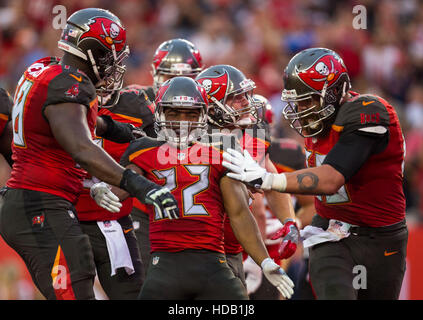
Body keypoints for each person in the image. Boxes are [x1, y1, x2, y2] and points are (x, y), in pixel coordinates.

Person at [0, 8, 178, 300]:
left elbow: (67, 120)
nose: (113, 65)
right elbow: (81, 147)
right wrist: (141, 187)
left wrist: (115, 130)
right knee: (76, 288)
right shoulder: (69, 84)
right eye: (111, 56)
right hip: (40, 205)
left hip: (36, 201)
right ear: (94, 52)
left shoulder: (44, 68)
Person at [222, 47, 408, 300]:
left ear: (336, 91)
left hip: (381, 236)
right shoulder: (320, 124)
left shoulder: (367, 110)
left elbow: (332, 179)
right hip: (330, 234)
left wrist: (269, 180)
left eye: (308, 100)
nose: (301, 109)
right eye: (297, 102)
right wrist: (292, 222)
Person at [102, 76, 294, 299]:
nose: (182, 122)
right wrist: (100, 190)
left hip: (212, 262)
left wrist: (265, 260)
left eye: (190, 114)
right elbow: (122, 186)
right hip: (168, 263)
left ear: (203, 115)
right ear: (160, 114)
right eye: (174, 113)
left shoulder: (222, 149)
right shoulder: (144, 150)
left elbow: (240, 213)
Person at [195, 65, 299, 290]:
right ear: (212, 107)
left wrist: (289, 221)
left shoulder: (252, 132)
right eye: (236, 97)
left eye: (245, 95)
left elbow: (270, 181)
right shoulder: (195, 140)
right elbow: (257, 208)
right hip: (198, 248)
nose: (246, 102)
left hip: (234, 248)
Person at [75, 85, 156, 299]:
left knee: (133, 294)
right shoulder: (64, 99)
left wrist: (122, 188)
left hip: (116, 219)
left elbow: (155, 155)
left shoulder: (134, 105)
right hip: (68, 217)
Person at [131, 38, 204, 272]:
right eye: (168, 76)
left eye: (188, 77)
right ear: (154, 74)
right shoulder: (134, 103)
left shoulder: (208, 110)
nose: (177, 84)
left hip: (196, 214)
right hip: (145, 210)